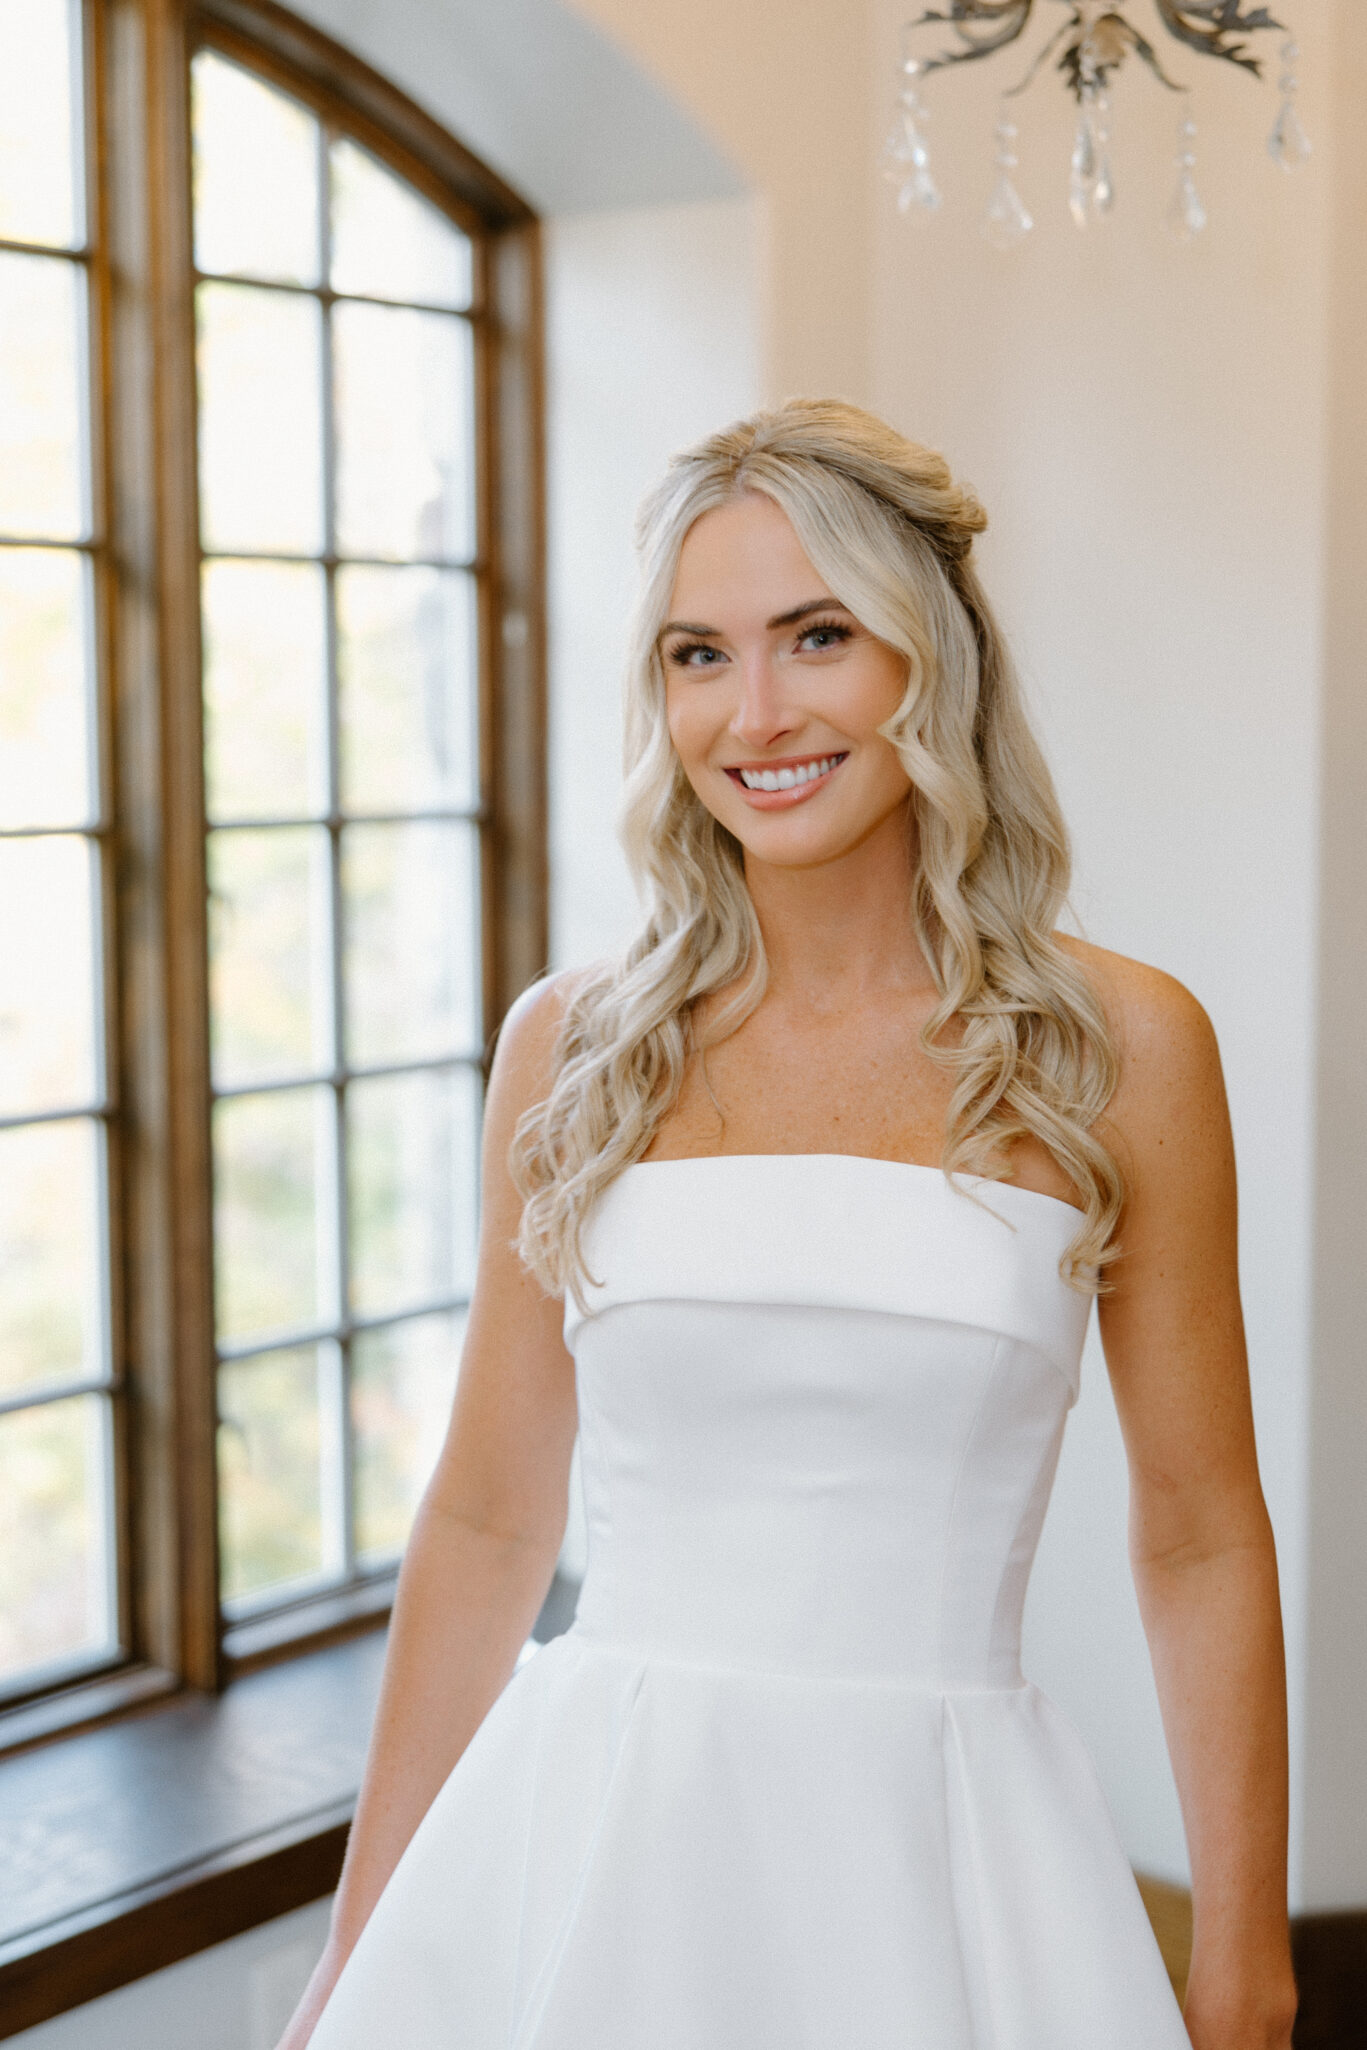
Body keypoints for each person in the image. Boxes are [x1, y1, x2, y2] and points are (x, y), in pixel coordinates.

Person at [281, 400, 1296, 2050]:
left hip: (945, 1869)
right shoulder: (573, 1045)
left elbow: (1198, 1531)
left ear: (928, 655)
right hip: (597, 1846)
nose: (755, 714)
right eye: (700, 655)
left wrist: (1246, 1965)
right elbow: (485, 1519)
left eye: (817, 635)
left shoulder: (1120, 1048)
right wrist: (358, 1946)